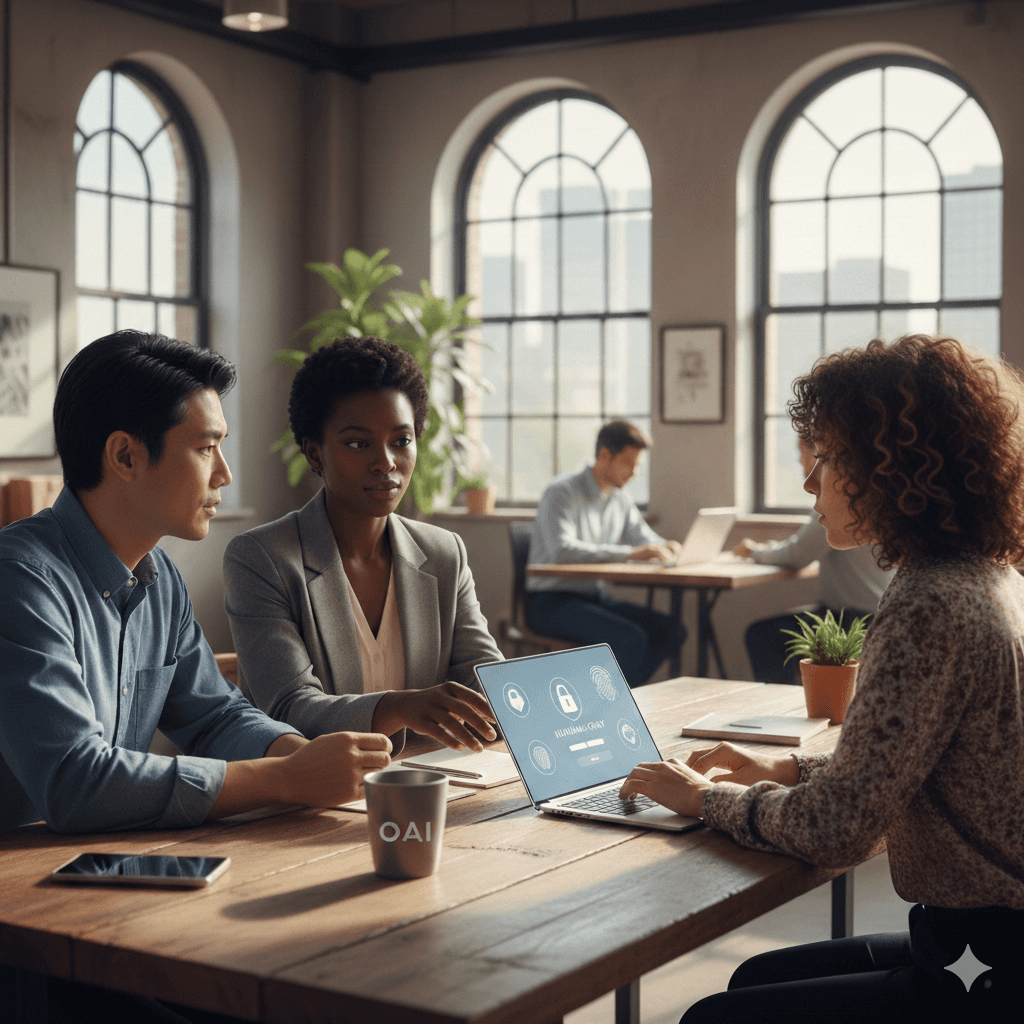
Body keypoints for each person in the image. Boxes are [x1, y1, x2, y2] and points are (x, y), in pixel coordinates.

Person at [620, 335, 1024, 1020]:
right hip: (980, 937)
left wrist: (699, 800)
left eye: (829, 458)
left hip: (985, 969)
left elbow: (840, 830)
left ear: (893, 466)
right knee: (753, 979)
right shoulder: (985, 575)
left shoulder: (929, 601)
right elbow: (902, 766)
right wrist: (784, 770)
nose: (811, 482)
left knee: (709, 1016)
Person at [0, 331, 393, 1024]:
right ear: (125, 455)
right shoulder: (19, 579)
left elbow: (212, 717)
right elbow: (71, 780)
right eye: (207, 446)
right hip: (25, 932)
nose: (227, 475)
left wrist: (297, 755)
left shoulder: (160, 581)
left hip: (98, 891)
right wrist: (280, 783)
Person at [223, 336, 499, 754]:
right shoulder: (264, 558)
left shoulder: (444, 553)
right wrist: (400, 708)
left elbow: (486, 678)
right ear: (315, 454)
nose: (386, 462)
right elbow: (287, 707)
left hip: (434, 788)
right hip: (311, 802)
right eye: (358, 443)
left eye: (401, 441)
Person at [525, 419, 688, 687]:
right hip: (551, 602)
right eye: (629, 463)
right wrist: (630, 554)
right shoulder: (561, 491)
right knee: (631, 639)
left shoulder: (619, 497)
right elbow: (562, 551)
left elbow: (644, 540)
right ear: (604, 456)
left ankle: (622, 699)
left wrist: (668, 547)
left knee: (671, 631)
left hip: (592, 597)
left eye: (638, 465)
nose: (634, 473)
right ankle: (610, 708)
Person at [736, 435, 894, 683]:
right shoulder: (876, 498)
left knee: (762, 635)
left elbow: (797, 554)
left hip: (852, 619)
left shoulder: (836, 501)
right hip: (875, 613)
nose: (803, 468)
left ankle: (783, 709)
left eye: (806, 456)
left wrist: (755, 551)